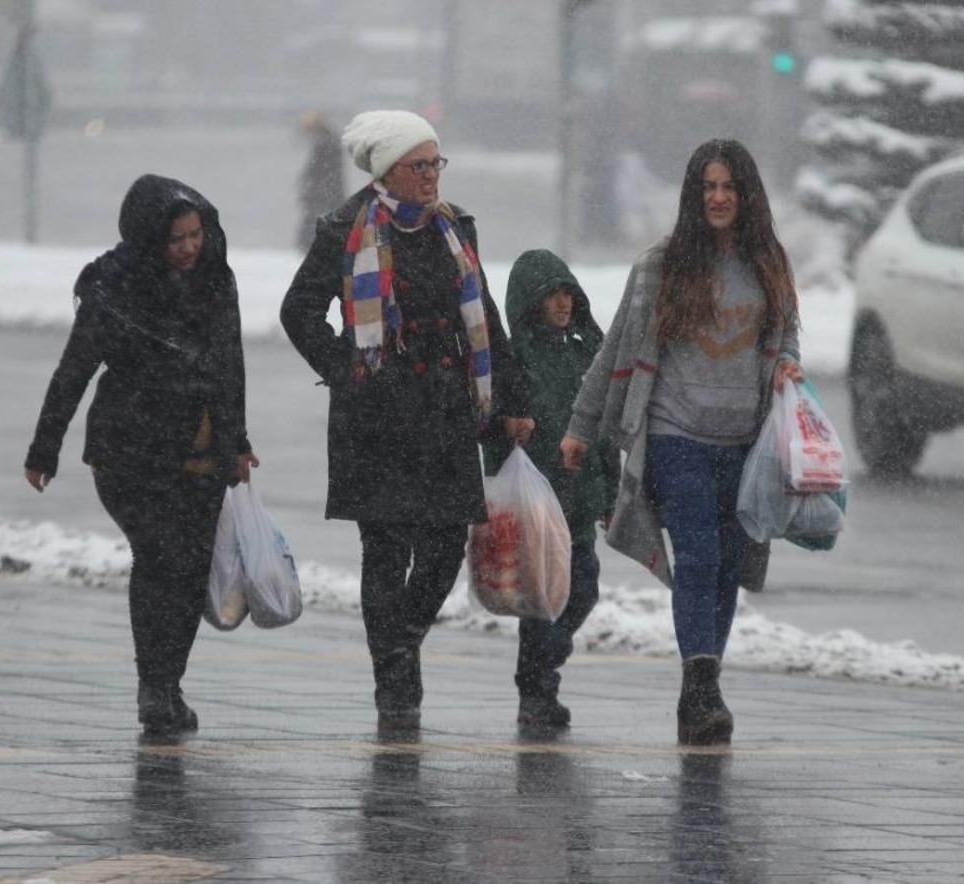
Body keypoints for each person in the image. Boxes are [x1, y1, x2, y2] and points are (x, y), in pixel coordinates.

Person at [281, 110, 533, 731]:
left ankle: (402, 642)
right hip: (377, 414)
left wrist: (511, 399)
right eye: (420, 166)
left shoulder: (454, 228)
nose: (431, 177)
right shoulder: (345, 227)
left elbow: (485, 316)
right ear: (388, 170)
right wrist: (347, 369)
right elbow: (299, 312)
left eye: (436, 163)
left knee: (446, 544)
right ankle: (393, 679)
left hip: (447, 408)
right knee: (387, 549)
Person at [560, 140, 802, 745]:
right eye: (708, 188)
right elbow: (616, 350)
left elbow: (786, 334)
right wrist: (580, 428)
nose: (718, 198)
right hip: (675, 436)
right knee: (696, 558)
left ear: (747, 195)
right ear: (694, 196)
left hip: (745, 443)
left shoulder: (769, 262)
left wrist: (787, 366)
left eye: (729, 187)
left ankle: (703, 682)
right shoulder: (662, 265)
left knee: (727, 567)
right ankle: (701, 689)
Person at [24, 174, 258, 738]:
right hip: (128, 449)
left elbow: (229, 363)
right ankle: (154, 686)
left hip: (199, 450)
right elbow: (75, 367)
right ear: (149, 239)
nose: (188, 248)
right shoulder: (114, 284)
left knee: (189, 567)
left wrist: (238, 442)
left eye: (195, 234)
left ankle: (168, 682)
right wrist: (44, 446)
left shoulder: (214, 280)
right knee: (160, 559)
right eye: (176, 239)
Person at [482, 249, 620, 729]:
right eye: (551, 295)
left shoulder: (586, 352)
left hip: (579, 501)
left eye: (567, 293)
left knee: (581, 590)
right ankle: (537, 688)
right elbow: (494, 428)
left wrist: (611, 493)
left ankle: (541, 672)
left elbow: (602, 430)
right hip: (538, 506)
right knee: (543, 600)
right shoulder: (515, 360)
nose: (562, 304)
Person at [296, 111, 346, 252]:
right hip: (326, 193)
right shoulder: (328, 141)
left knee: (316, 221)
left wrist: (310, 189)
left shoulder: (325, 143)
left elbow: (319, 171)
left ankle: (311, 246)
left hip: (324, 193)